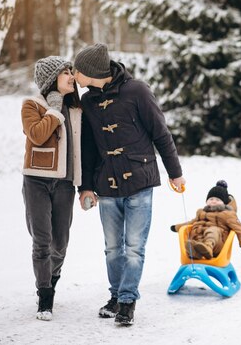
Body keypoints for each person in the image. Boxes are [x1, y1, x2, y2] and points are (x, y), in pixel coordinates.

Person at [74, 43, 185, 326]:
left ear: (92, 71)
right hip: (106, 184)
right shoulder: (87, 102)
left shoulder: (137, 91)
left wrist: (175, 173)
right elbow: (87, 148)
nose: (75, 73)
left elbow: (161, 133)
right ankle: (115, 295)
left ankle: (126, 301)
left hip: (139, 180)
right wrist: (85, 187)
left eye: (78, 69)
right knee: (113, 248)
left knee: (134, 247)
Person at [21, 56, 82, 321]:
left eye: (71, 71)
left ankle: (52, 279)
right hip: (36, 180)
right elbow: (37, 135)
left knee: (60, 244)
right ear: (51, 79)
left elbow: (84, 150)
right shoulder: (32, 105)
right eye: (66, 72)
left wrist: (86, 185)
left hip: (65, 183)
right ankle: (45, 296)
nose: (72, 76)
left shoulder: (77, 110)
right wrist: (54, 110)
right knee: (42, 242)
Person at [170, 180, 241, 260]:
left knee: (212, 231)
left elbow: (239, 228)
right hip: (199, 241)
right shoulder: (201, 212)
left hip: (217, 244)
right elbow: (191, 222)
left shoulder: (227, 214)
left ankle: (208, 248)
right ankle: (195, 252)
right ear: (207, 201)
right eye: (211, 199)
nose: (214, 201)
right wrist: (177, 227)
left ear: (224, 203)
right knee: (192, 239)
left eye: (217, 200)